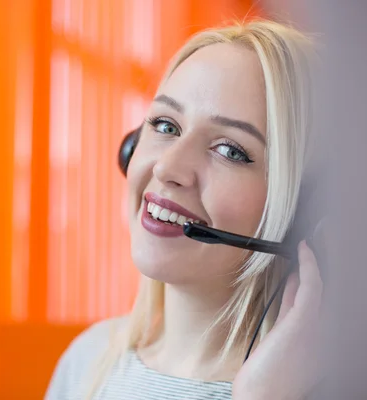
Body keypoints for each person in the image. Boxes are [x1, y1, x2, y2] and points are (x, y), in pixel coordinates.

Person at [46, 18, 322, 400]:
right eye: (165, 125)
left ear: (302, 210)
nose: (167, 167)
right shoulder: (87, 362)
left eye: (230, 150)